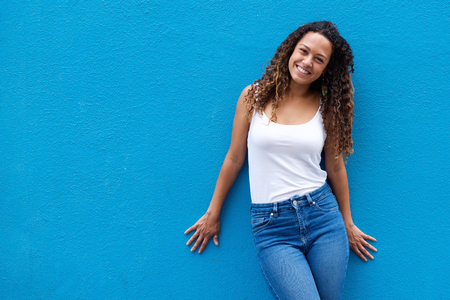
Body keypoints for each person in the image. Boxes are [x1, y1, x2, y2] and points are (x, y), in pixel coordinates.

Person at [185, 21, 377, 300]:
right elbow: (235, 157)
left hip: (323, 217)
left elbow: (335, 166)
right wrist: (213, 213)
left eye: (319, 59)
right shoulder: (253, 96)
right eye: (304, 51)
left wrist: (347, 222)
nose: (307, 62)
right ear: (291, 50)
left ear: (326, 69)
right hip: (272, 227)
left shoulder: (328, 108)